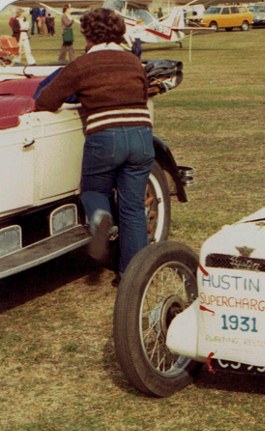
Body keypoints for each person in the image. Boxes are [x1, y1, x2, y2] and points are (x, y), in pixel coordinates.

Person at [35, 7, 155, 277]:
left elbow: (45, 101)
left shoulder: (81, 65)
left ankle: (100, 217)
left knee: (93, 191)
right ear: (119, 32)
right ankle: (132, 277)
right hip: (142, 135)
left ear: (87, 35)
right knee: (133, 208)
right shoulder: (133, 61)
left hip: (105, 137)